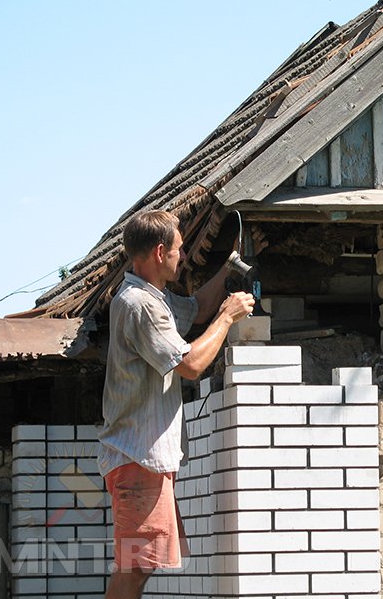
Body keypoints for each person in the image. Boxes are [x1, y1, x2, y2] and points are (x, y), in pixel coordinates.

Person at [98, 209, 261, 598]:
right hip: (139, 458)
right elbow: (190, 365)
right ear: (159, 252)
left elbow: (195, 309)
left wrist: (230, 268)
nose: (183, 256)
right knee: (136, 567)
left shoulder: (155, 299)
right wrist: (227, 317)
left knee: (141, 566)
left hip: (143, 458)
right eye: (178, 249)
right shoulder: (141, 305)